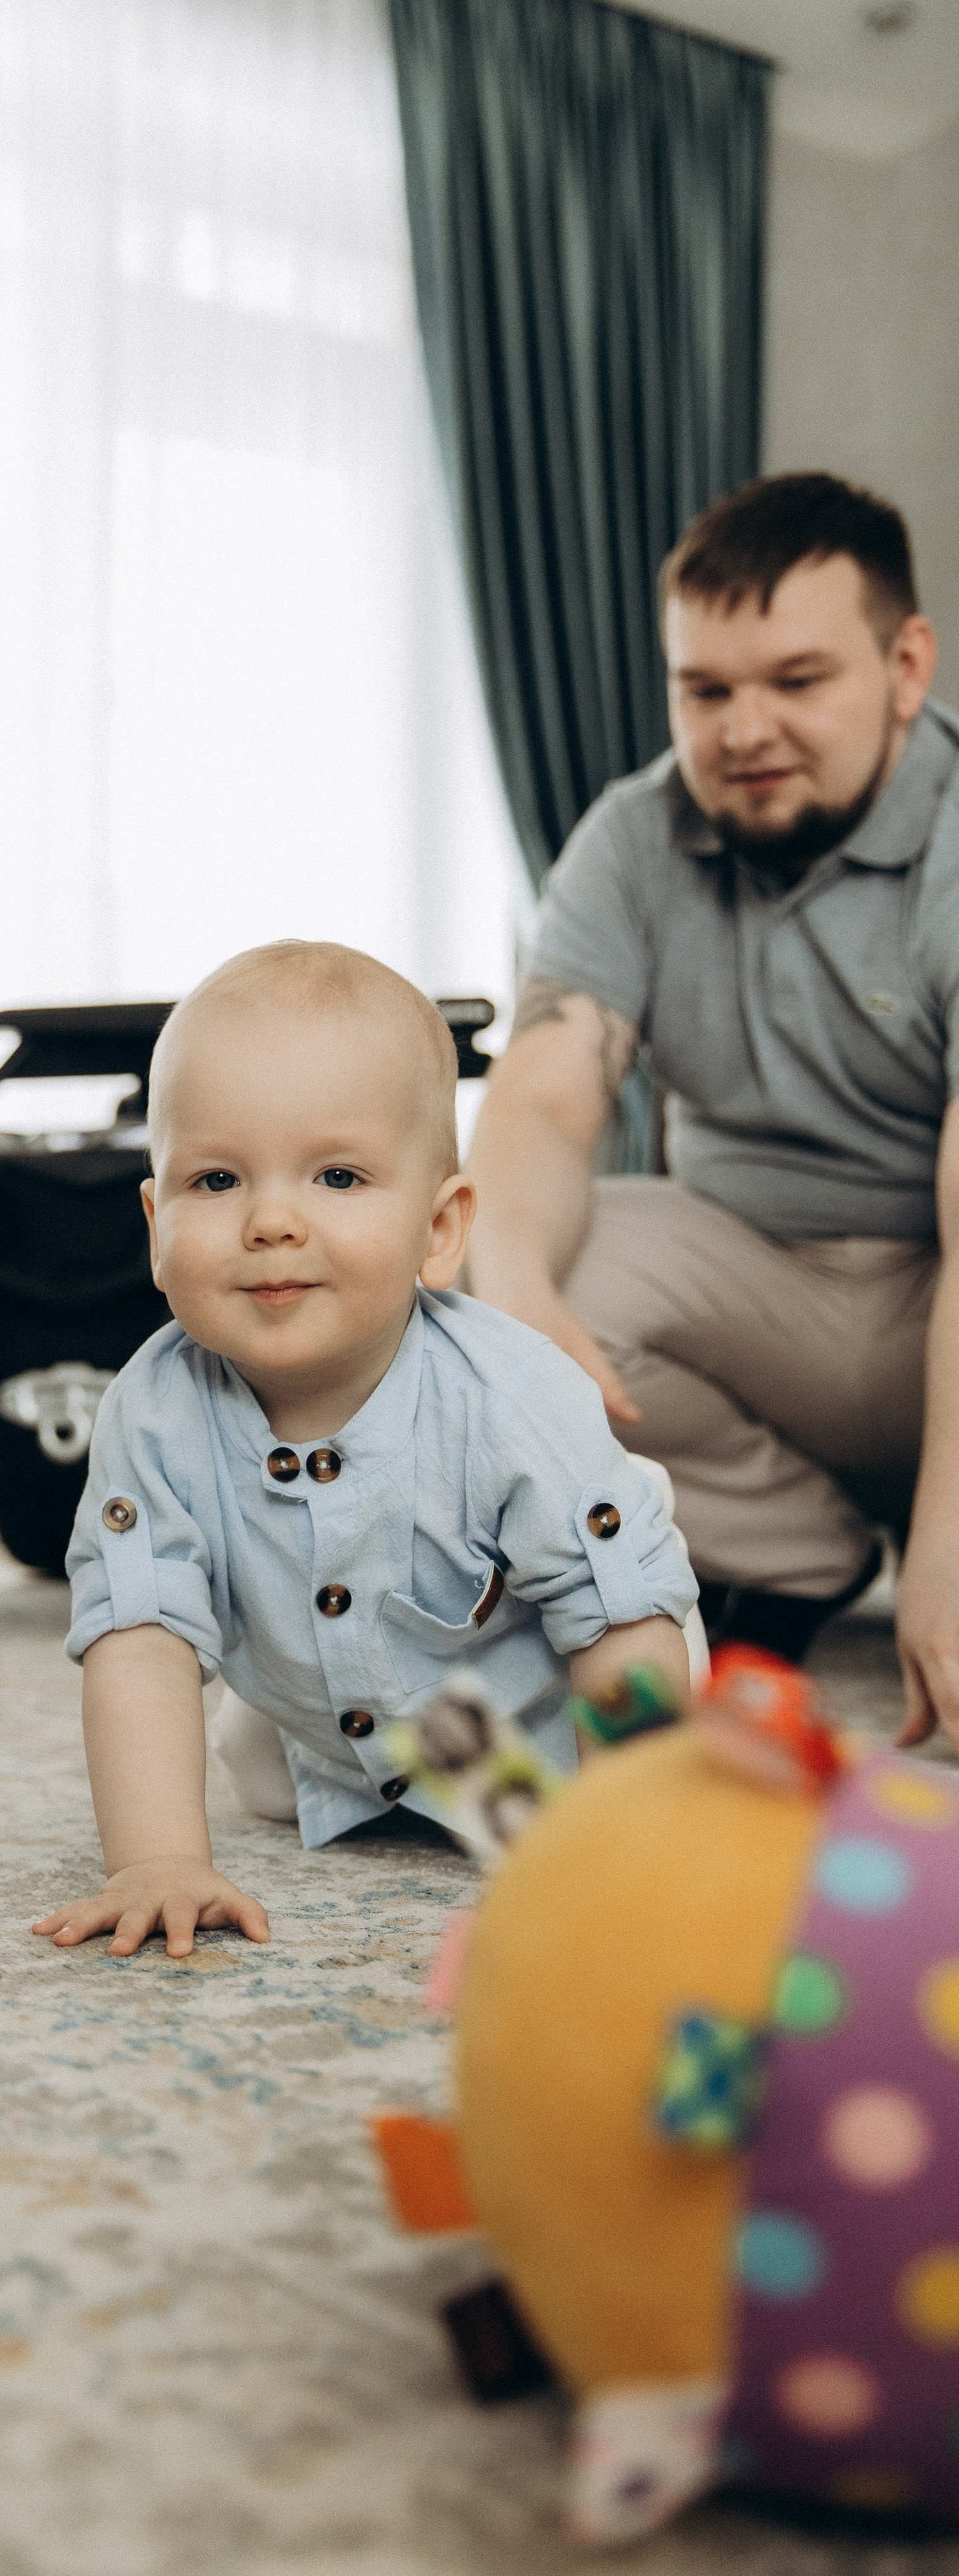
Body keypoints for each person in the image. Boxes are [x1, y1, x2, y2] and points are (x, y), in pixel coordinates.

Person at [32, 942, 695, 1960]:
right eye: (216, 1179)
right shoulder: (152, 1411)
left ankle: (632, 1531)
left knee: (597, 1762)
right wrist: (156, 1858)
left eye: (337, 1176)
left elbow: (616, 1634)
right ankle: (345, 1749)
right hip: (328, 1717)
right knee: (251, 1775)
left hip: (549, 1705)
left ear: (440, 1228)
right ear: (157, 1221)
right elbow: (142, 1636)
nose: (273, 1221)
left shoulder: (508, 1398)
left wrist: (633, 1835)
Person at [463, 472, 959, 1749]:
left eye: (799, 682)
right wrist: (511, 1294)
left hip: (938, 1296)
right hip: (756, 1292)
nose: (746, 729)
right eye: (709, 690)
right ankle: (797, 1546)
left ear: (907, 666)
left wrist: (947, 1542)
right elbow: (549, 1093)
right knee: (486, 1260)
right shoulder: (633, 839)